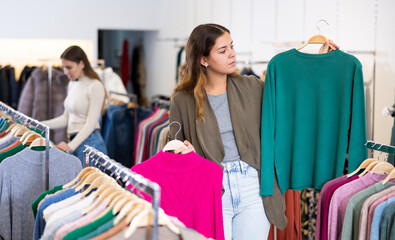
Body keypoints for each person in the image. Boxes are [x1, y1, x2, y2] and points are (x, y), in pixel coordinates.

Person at [169, 23, 338, 240]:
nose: (232, 54)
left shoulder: (252, 87)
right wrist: (185, 152)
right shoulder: (182, 101)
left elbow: (292, 91)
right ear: (203, 59)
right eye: (223, 51)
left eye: (232, 46)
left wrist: (323, 60)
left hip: (252, 187)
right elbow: (172, 152)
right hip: (210, 190)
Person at [42, 45, 108, 166]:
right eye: (63, 67)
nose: (65, 72)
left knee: (87, 185)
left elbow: (91, 124)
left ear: (81, 64)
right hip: (74, 141)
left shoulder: (95, 86)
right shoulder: (72, 84)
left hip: (90, 144)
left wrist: (70, 146)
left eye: (69, 67)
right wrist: (40, 124)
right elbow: (65, 118)